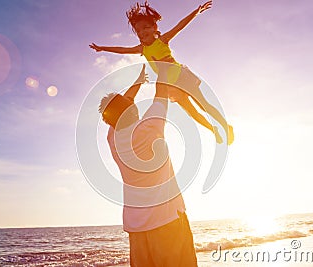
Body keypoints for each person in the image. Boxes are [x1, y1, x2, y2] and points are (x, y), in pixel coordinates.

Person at [91, 0, 234, 145]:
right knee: (193, 113)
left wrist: (196, 12)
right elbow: (122, 50)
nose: (142, 32)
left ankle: (226, 127)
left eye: (145, 28)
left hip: (181, 77)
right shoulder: (142, 49)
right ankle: (213, 130)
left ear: (154, 27)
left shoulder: (162, 40)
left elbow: (180, 26)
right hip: (171, 86)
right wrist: (103, 48)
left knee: (203, 106)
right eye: (138, 31)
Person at [99, 64, 198, 266]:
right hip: (168, 221)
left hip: (137, 229)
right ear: (130, 108)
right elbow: (161, 91)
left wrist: (137, 83)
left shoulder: (113, 139)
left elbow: (121, 108)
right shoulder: (149, 127)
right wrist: (162, 66)